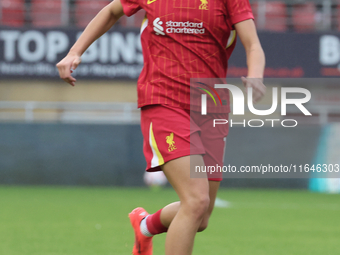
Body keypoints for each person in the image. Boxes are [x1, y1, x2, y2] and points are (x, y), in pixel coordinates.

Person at [56, 0, 266, 254]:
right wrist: (75, 51)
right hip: (164, 101)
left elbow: (252, 44)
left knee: (202, 215)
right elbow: (111, 11)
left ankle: (145, 225)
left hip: (211, 107)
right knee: (196, 200)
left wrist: (255, 75)